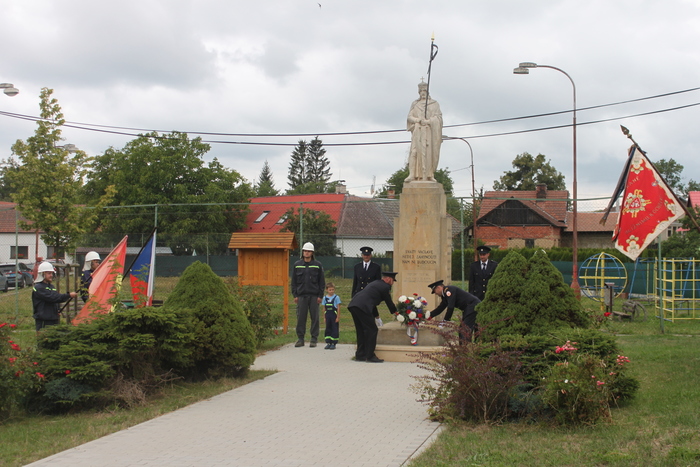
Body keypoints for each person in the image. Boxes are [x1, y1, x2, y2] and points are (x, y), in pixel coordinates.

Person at [347, 272, 398, 363]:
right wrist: (396, 312)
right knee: (372, 330)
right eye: (393, 280)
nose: (393, 283)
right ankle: (370, 356)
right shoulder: (385, 287)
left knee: (361, 330)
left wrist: (377, 316)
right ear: (388, 279)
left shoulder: (375, 283)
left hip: (354, 305)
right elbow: (389, 302)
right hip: (363, 307)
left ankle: (360, 355)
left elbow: (372, 302)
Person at [406, 80, 443, 182]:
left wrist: (428, 121)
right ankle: (412, 175)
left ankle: (429, 175)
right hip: (417, 131)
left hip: (428, 132)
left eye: (424, 91)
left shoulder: (434, 104)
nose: (423, 93)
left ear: (427, 92)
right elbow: (409, 117)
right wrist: (417, 120)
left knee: (428, 153)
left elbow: (438, 118)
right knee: (414, 152)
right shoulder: (415, 104)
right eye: (421, 91)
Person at [291, 242, 325, 348]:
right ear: (302, 252)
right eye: (305, 251)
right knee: (301, 318)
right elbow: (293, 281)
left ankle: (314, 339)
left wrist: (320, 296)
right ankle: (300, 339)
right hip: (301, 296)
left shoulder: (317, 265)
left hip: (314, 296)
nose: (306, 253)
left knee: (315, 318)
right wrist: (295, 295)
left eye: (309, 251)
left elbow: (321, 282)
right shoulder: (297, 265)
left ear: (312, 253)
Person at [32, 261, 77, 331]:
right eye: (49, 273)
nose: (51, 275)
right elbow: (53, 298)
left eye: (52, 273)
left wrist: (57, 309)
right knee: (44, 337)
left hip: (53, 319)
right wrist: (68, 295)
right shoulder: (38, 287)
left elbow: (55, 298)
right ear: (42, 274)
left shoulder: (51, 286)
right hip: (43, 320)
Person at [323, 282, 342, 350]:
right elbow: (324, 308)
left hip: (334, 315)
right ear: (327, 290)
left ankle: (334, 343)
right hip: (328, 315)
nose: (331, 291)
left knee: (334, 328)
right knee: (328, 328)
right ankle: (328, 342)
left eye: (333, 290)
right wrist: (324, 317)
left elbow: (338, 307)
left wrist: (338, 317)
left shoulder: (336, 297)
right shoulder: (325, 298)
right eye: (330, 290)